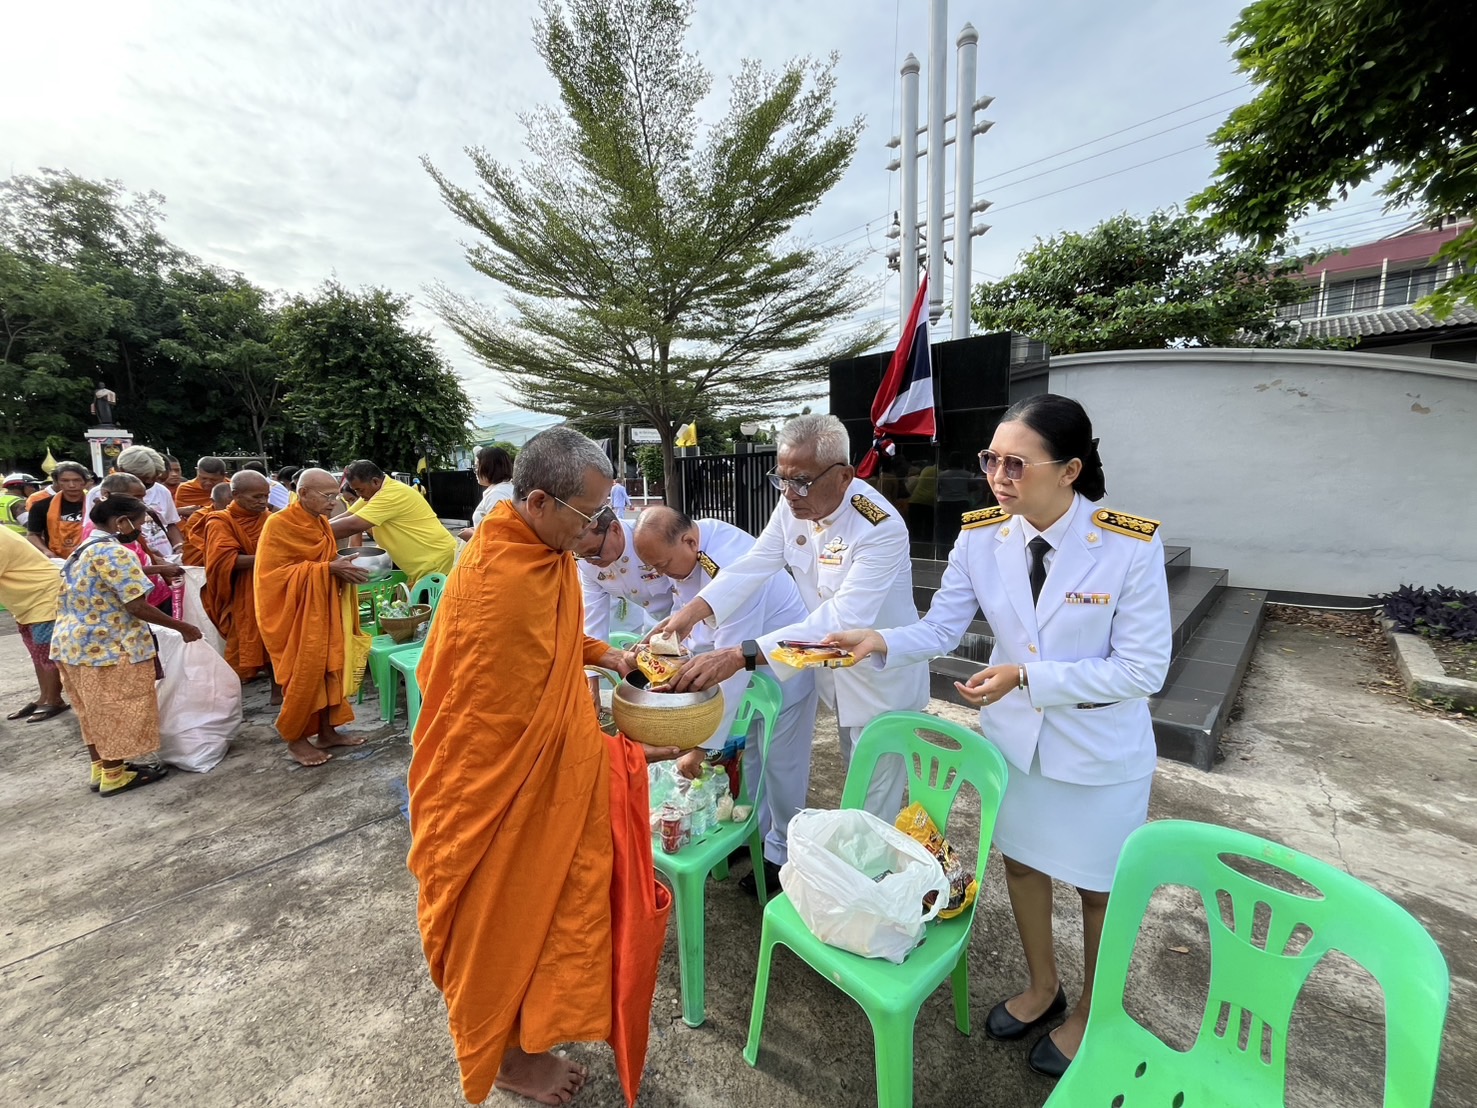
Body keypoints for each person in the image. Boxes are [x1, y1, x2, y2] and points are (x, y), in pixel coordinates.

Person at [826, 394, 1172, 1080]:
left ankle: (1093, 1012)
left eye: (1017, 463)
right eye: (991, 459)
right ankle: (1044, 987)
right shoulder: (982, 536)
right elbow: (941, 627)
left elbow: (1142, 669)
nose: (997, 476)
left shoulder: (1128, 544)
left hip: (1099, 753)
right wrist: (879, 640)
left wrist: (1026, 677)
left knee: (1098, 891)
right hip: (1018, 746)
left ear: (1069, 470)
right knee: (1020, 867)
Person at [407, 426, 667, 1105]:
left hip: (543, 775)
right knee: (506, 919)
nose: (597, 530)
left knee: (549, 914)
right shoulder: (500, 580)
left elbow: (550, 642)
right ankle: (508, 1058)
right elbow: (507, 730)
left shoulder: (536, 548)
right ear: (541, 501)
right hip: (496, 796)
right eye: (590, 515)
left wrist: (604, 654)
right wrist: (622, 751)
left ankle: (532, 1031)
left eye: (605, 512)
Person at [655, 414, 930, 822]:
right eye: (781, 479)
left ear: (843, 476)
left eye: (800, 481)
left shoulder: (879, 528)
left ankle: (866, 859)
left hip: (879, 682)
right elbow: (755, 564)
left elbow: (842, 620)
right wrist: (690, 613)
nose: (787, 493)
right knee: (852, 771)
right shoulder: (795, 505)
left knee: (870, 801)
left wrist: (740, 655)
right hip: (835, 675)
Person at [634, 507, 821, 894]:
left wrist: (701, 747)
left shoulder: (729, 559)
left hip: (781, 672)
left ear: (689, 541)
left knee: (782, 769)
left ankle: (783, 856)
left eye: (663, 564)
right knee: (752, 762)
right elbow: (696, 625)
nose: (662, 573)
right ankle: (755, 835)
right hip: (746, 672)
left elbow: (730, 667)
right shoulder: (692, 551)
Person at [50, 495, 203, 795]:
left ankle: (101, 768)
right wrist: (183, 627)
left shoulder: (85, 548)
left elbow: (110, 579)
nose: (140, 531)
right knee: (115, 710)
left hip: (73, 645)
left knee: (92, 712)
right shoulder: (115, 552)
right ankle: (115, 775)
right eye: (139, 525)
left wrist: (156, 570)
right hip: (108, 647)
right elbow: (136, 605)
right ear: (122, 522)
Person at [254, 468, 373, 767]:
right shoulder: (279, 524)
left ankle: (327, 732)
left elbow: (324, 559)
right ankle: (296, 739)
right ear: (303, 493)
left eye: (335, 495)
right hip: (294, 616)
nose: (333, 502)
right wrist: (327, 569)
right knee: (305, 674)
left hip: (322, 608)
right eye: (327, 496)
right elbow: (272, 577)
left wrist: (341, 565)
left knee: (330, 668)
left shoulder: (320, 522)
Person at [204, 470, 274, 694]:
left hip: (272, 586)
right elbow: (224, 560)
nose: (263, 501)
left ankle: (278, 689)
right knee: (248, 636)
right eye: (256, 497)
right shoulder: (220, 521)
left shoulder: (269, 517)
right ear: (236, 495)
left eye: (266, 495)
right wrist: (271, 558)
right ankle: (230, 693)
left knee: (276, 637)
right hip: (241, 591)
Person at [333, 460, 456, 583]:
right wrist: (320, 523)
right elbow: (347, 515)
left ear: (375, 481)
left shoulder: (391, 494)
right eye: (355, 491)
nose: (358, 494)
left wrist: (319, 532)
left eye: (360, 490)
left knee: (432, 595)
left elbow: (352, 525)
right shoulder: (371, 494)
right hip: (425, 563)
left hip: (436, 561)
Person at [85, 473, 182, 616]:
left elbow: (142, 553)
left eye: (143, 497)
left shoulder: (127, 527)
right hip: (136, 602)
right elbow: (120, 571)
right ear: (107, 494)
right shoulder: (103, 538)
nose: (142, 503)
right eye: (136, 497)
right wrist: (160, 568)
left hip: (156, 593)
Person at [0, 527, 69, 723]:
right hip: (25, 601)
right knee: (37, 654)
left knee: (46, 653)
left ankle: (54, 699)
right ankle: (44, 697)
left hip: (42, 595)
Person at [576, 511, 674, 642]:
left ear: (615, 529)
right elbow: (594, 619)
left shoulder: (651, 537)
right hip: (654, 625)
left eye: (594, 551)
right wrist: (596, 653)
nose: (590, 560)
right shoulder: (586, 564)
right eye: (581, 555)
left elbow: (684, 590)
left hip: (693, 620)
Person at [26, 460, 90, 559]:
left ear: (85, 482)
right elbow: (32, 535)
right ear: (57, 482)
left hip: (89, 556)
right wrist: (46, 551)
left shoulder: (95, 505)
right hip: (56, 559)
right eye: (65, 481)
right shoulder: (41, 506)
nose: (71, 485)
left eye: (77, 480)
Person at [459, 445, 514, 540]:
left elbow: (501, 534)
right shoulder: (505, 489)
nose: (475, 471)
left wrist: (472, 535)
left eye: (477, 467)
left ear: (490, 467)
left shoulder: (497, 494)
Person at [180, 482, 233, 566]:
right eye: (225, 507)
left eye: (232, 507)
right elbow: (212, 549)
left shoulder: (243, 514)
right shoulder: (199, 517)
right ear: (212, 501)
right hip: (200, 566)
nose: (228, 511)